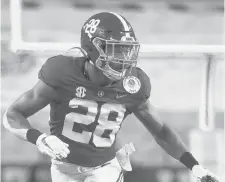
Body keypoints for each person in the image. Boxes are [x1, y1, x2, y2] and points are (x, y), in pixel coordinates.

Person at [3, 12, 219, 182]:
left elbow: (161, 131)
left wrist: (195, 165)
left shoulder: (134, 84)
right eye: (116, 50)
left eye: (127, 50)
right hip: (63, 169)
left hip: (105, 169)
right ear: (93, 47)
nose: (123, 59)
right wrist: (39, 138)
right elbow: (13, 114)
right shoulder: (61, 73)